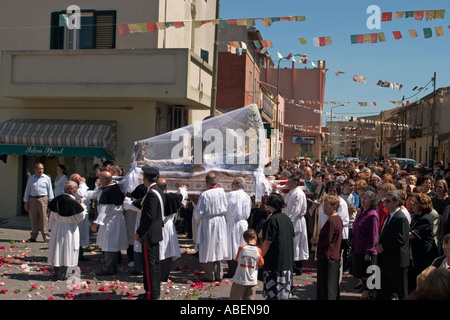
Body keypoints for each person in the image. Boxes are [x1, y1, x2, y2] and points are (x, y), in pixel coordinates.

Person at [134, 166, 166, 300]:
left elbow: (149, 216)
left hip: (149, 233)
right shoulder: (158, 190)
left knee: (149, 265)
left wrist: (139, 232)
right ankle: (154, 292)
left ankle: (151, 294)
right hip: (156, 231)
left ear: (145, 178)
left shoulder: (152, 193)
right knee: (154, 264)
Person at [47, 181, 87, 281]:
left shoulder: (57, 199)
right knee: (67, 249)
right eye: (76, 188)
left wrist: (50, 226)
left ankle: (57, 271)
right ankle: (63, 273)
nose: (77, 190)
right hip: (69, 229)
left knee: (58, 249)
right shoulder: (73, 202)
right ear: (70, 189)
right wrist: (83, 207)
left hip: (57, 227)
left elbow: (51, 215)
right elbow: (80, 216)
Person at [91, 171, 128, 277]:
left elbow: (104, 209)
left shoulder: (108, 190)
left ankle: (109, 268)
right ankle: (112, 266)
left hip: (110, 220)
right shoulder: (116, 187)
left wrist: (96, 223)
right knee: (112, 243)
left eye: (100, 178)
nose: (99, 180)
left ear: (105, 180)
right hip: (116, 219)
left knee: (109, 244)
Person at [375, 190, 410, 300]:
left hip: (397, 262)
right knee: (383, 291)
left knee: (401, 291)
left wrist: (383, 246)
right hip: (386, 260)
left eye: (388, 201)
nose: (385, 203)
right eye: (385, 200)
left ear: (397, 202)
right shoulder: (389, 216)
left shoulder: (401, 218)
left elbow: (400, 240)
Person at [193, 172, 228, 282]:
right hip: (220, 221)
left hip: (209, 222)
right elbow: (226, 207)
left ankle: (210, 275)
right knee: (218, 246)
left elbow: (199, 212)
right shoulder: (222, 192)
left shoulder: (205, 195)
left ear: (206, 182)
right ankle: (219, 274)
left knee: (208, 247)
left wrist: (198, 220)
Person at [261, 193, 295, 300]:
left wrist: (260, 256)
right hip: (287, 261)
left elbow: (267, 241)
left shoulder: (272, 220)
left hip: (274, 263)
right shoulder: (287, 219)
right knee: (284, 293)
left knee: (274, 294)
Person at [311, 195, 343, 300]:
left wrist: (316, 241)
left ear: (334, 206)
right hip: (332, 256)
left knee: (327, 285)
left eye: (327, 205)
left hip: (328, 256)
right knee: (330, 284)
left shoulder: (332, 221)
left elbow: (327, 240)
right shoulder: (336, 219)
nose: (324, 207)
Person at [157, 178, 188, 282]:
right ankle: (163, 275)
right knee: (167, 252)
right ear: (166, 187)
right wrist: (182, 189)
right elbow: (181, 196)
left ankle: (158, 275)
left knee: (160, 251)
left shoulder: (153, 197)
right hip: (168, 227)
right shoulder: (171, 197)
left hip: (157, 226)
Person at [408, 193, 439, 292]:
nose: (412, 204)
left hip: (425, 255)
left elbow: (412, 235)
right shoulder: (416, 216)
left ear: (422, 204)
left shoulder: (425, 218)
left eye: (415, 202)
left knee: (424, 280)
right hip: (416, 254)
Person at [351, 189, 379, 299]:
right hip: (358, 246)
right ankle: (366, 292)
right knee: (360, 271)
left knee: (369, 272)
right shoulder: (360, 212)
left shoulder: (372, 215)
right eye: (362, 198)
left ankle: (367, 293)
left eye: (366, 198)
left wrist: (370, 251)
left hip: (366, 249)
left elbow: (373, 235)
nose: (363, 200)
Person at [224, 177, 252, 278]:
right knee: (241, 245)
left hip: (232, 224)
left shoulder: (231, 195)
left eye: (233, 183)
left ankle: (233, 270)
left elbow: (225, 208)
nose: (232, 186)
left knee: (232, 246)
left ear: (239, 185)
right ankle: (241, 268)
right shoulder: (246, 196)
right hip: (243, 223)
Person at [23, 163, 54, 242]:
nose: (41, 170)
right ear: (35, 169)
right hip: (33, 199)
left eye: (42, 169)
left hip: (43, 198)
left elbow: (50, 190)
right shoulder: (31, 178)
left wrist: (51, 201)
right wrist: (26, 201)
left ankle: (46, 236)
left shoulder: (46, 178)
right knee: (33, 218)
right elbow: (27, 190)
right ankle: (33, 236)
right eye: (39, 169)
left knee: (44, 217)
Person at [284, 175, 309, 275]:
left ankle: (297, 268)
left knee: (297, 244)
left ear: (295, 183)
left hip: (296, 221)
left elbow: (296, 210)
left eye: (290, 182)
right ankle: (291, 265)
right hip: (290, 220)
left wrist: (287, 221)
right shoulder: (290, 193)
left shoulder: (298, 194)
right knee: (292, 244)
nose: (288, 184)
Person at [229, 229, 264, 300]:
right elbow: (261, 263)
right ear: (256, 238)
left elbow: (237, 259)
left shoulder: (242, 248)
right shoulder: (258, 250)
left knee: (235, 298)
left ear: (245, 239)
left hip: (240, 278)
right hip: (252, 279)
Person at [69, 173, 91, 262]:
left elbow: (87, 194)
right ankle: (76, 255)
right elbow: (81, 194)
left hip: (84, 215)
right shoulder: (74, 189)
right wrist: (82, 183)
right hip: (77, 216)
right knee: (77, 235)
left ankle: (80, 253)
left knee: (81, 235)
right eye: (78, 179)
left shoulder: (81, 188)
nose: (80, 180)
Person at [302, 166, 324, 251]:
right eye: (305, 174)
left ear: (312, 173)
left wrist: (303, 193)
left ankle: (311, 249)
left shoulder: (317, 183)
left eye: (308, 173)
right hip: (303, 209)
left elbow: (316, 194)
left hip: (312, 209)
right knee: (304, 232)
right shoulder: (302, 182)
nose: (307, 175)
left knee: (311, 231)